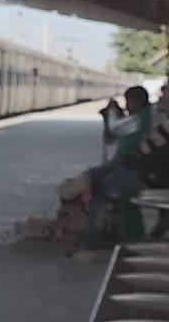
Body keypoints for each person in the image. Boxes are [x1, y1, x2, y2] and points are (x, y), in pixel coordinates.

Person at [72, 86, 153, 254]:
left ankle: (88, 247)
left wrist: (111, 112)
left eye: (128, 102)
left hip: (131, 169)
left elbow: (115, 128)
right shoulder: (144, 117)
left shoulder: (139, 119)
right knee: (126, 201)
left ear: (135, 101)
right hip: (132, 168)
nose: (127, 106)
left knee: (100, 192)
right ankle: (135, 237)